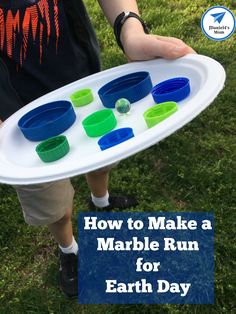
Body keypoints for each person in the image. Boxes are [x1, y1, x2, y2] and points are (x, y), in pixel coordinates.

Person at [0, 0, 195, 297]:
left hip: (84, 86)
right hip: (15, 120)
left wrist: (130, 28)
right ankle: (69, 249)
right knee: (54, 205)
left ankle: (100, 201)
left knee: (102, 157)